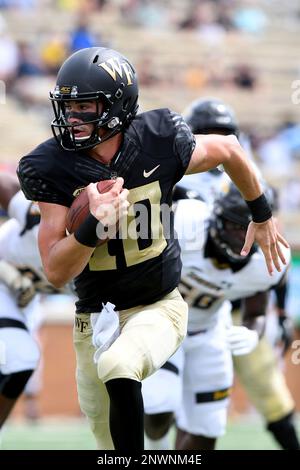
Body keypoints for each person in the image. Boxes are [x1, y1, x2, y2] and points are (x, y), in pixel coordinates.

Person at [17, 47, 288, 452]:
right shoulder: (49, 166)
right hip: (92, 318)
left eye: (84, 107)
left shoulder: (159, 137)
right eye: (67, 107)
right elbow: (56, 270)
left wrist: (261, 214)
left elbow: (230, 148)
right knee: (107, 442)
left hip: (158, 305)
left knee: (118, 364)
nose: (72, 119)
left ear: (117, 105)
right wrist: (93, 226)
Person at [168, 98, 299, 450]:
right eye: (207, 133)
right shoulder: (174, 172)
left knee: (268, 392)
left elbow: (274, 251)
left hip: (237, 302)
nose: (216, 140)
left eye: (223, 133)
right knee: (165, 401)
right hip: (178, 297)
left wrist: (281, 311)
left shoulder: (247, 175)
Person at [143, 185, 294, 450]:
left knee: (208, 429)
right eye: (234, 225)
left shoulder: (267, 264)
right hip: (164, 323)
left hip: (210, 330)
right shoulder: (187, 221)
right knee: (158, 407)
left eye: (247, 227)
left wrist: (251, 332)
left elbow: (256, 312)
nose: (241, 235)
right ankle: (158, 452)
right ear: (216, 216)